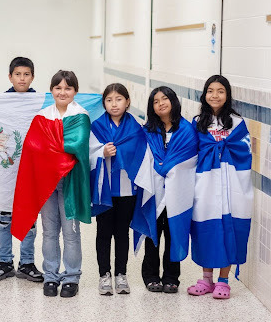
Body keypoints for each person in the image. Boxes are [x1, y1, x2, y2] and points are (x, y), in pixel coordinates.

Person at [12, 70, 91, 298]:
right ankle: (51, 276)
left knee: (71, 233)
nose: (63, 92)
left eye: (68, 88)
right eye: (58, 88)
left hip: (70, 182)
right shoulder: (42, 115)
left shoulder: (81, 115)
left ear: (75, 91)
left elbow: (76, 144)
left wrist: (51, 146)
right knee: (49, 232)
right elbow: (32, 146)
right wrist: (55, 146)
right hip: (46, 182)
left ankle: (71, 277)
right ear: (51, 90)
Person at [188, 75, 253, 299]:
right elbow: (189, 151)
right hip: (205, 185)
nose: (215, 95)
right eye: (210, 91)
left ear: (227, 95)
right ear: (204, 95)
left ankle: (224, 280)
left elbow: (245, 151)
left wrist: (222, 148)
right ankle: (206, 278)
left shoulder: (237, 122)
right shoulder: (197, 122)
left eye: (220, 91)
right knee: (205, 229)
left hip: (231, 185)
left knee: (229, 228)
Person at [90, 83, 154, 295]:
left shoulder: (136, 129)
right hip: (104, 191)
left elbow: (142, 156)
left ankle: (121, 274)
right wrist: (102, 153)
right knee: (103, 233)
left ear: (127, 102)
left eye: (118, 99)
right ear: (104, 103)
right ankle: (104, 275)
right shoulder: (97, 127)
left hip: (128, 191)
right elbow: (88, 153)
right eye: (109, 100)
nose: (114, 104)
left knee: (122, 233)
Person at [0, 57, 43, 283]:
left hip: (31, 170)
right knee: (4, 217)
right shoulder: (1, 103)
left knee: (29, 218)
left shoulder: (40, 102)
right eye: (17, 74)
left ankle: (27, 262)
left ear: (32, 77)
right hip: (6, 170)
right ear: (10, 77)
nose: (22, 78)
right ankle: (5, 261)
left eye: (26, 74)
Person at [141, 86, 198, 293]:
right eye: (155, 101)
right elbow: (143, 158)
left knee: (174, 233)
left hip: (179, 192)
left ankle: (172, 277)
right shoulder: (147, 131)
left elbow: (190, 160)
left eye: (164, 99)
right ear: (152, 107)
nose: (161, 104)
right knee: (152, 234)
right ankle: (151, 276)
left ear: (173, 101)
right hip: (154, 192)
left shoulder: (187, 131)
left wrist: (168, 167)